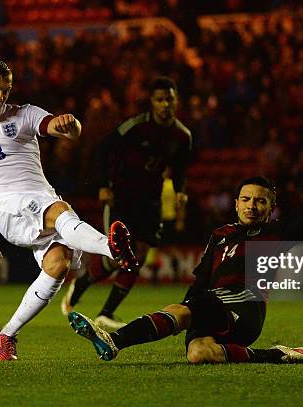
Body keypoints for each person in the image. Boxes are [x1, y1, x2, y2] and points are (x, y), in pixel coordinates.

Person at [68, 117, 303, 364]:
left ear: (270, 207)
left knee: (182, 309)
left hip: (245, 308)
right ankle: (280, 355)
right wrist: (190, 307)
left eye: (260, 201)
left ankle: (113, 340)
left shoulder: (276, 234)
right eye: (247, 199)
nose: (252, 205)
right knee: (200, 354)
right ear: (236, 203)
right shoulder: (220, 235)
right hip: (211, 304)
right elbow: (201, 279)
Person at [0, 59, 138, 362]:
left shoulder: (25, 114)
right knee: (60, 210)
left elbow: (65, 130)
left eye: (5, 91)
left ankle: (6, 336)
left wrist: (70, 126)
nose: (0, 98)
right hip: (9, 209)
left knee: (58, 264)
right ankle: (112, 249)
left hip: (40, 201)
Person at [61, 77, 192, 331]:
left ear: (176, 101)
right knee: (117, 256)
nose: (165, 104)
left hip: (150, 201)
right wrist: (103, 185)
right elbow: (103, 149)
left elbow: (179, 169)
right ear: (152, 103)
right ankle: (82, 283)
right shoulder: (136, 126)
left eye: (170, 99)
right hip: (122, 196)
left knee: (138, 257)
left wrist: (179, 192)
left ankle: (106, 313)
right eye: (160, 99)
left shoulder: (182, 135)